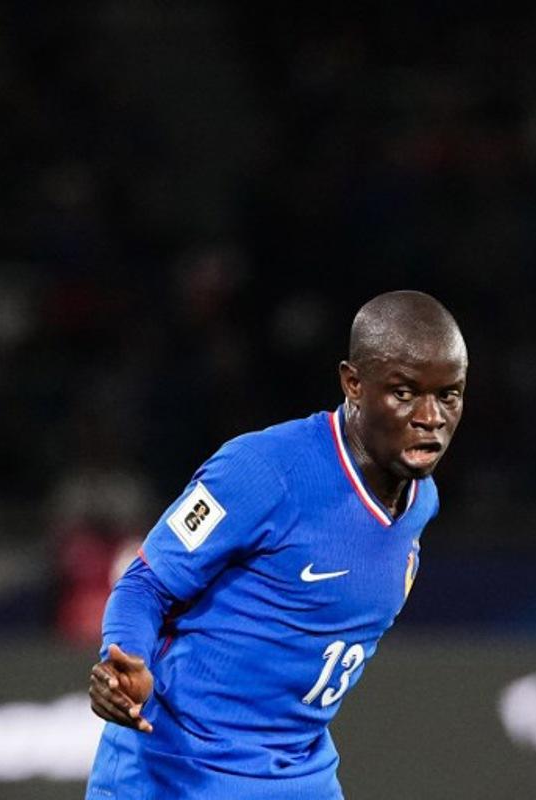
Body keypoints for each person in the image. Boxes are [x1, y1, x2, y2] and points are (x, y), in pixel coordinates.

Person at [86, 290, 468, 799]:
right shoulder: (264, 471)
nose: (431, 417)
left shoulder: (421, 500)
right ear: (353, 383)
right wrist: (123, 661)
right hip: (179, 769)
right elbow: (144, 583)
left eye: (449, 395)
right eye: (404, 393)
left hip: (298, 772)